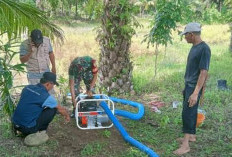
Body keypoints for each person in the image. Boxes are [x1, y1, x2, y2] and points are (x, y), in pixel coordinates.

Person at [173, 22, 211, 155]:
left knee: (188, 114)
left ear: (192, 34)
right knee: (191, 111)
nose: (185, 38)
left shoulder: (204, 49)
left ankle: (185, 145)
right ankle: (191, 136)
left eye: (186, 35)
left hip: (194, 87)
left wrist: (195, 93)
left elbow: (203, 72)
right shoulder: (195, 46)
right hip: (189, 85)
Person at [12, 72, 70, 146]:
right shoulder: (45, 96)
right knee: (53, 109)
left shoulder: (27, 88)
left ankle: (20, 129)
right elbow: (61, 109)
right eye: (53, 85)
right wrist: (67, 116)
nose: (52, 87)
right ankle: (41, 132)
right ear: (48, 84)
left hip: (15, 123)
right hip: (28, 128)